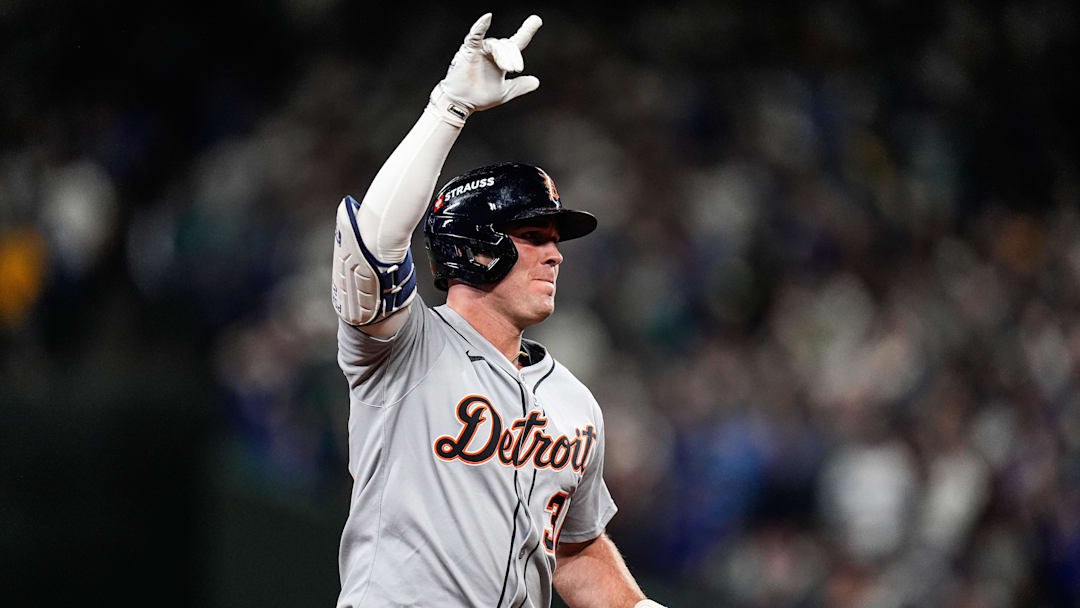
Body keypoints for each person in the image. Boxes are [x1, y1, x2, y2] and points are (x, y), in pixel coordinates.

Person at [330, 12, 665, 608]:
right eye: (533, 236)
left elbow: (574, 549)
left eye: (555, 240)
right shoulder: (404, 349)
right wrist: (449, 107)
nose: (555, 254)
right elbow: (371, 245)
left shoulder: (575, 403)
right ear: (474, 247)